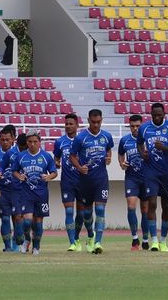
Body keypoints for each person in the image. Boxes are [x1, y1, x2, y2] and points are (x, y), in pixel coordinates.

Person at [137, 102, 168, 252]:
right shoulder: (144, 128)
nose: (157, 117)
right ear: (150, 115)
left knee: (166, 205)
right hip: (150, 172)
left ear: (164, 114)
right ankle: (154, 241)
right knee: (151, 203)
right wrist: (142, 153)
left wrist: (164, 148)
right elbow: (139, 144)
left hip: (166, 173)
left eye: (160, 115)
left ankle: (163, 240)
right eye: (154, 115)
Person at [69, 109, 114, 254]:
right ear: (88, 120)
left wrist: (108, 158)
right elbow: (72, 156)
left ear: (102, 120)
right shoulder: (80, 138)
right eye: (93, 122)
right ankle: (90, 236)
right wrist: (79, 167)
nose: (96, 125)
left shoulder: (107, 136)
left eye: (98, 122)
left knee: (100, 210)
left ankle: (98, 243)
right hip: (85, 181)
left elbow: (109, 150)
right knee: (86, 214)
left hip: (101, 180)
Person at [12, 130, 57, 255]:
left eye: (35, 142)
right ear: (27, 142)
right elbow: (14, 171)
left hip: (41, 194)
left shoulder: (46, 156)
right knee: (27, 221)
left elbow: (54, 172)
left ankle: (36, 246)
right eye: (30, 142)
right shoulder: (21, 156)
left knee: (38, 222)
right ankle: (27, 240)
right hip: (26, 193)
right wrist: (19, 176)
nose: (32, 144)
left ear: (39, 142)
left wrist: (49, 177)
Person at [119, 115, 151, 251]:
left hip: (147, 178)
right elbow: (120, 154)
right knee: (131, 206)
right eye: (132, 126)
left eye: (137, 126)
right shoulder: (124, 140)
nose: (135, 128)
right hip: (131, 178)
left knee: (145, 210)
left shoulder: (148, 140)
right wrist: (121, 162)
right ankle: (134, 239)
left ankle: (145, 239)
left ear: (142, 125)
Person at [53, 113, 83, 251]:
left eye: (71, 124)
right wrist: (57, 163)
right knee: (69, 212)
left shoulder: (83, 140)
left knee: (81, 213)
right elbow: (56, 159)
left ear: (77, 125)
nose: (68, 126)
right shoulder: (59, 142)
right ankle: (72, 242)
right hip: (67, 181)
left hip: (83, 181)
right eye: (66, 124)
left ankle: (77, 238)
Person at [0, 124, 18, 252]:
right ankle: (7, 246)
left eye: (7, 140)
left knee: (16, 217)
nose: (5, 142)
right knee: (4, 217)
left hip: (16, 190)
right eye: (2, 140)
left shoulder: (17, 152)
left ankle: (16, 244)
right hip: (2, 190)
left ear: (13, 139)